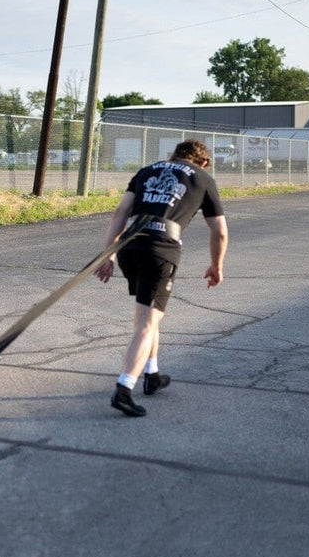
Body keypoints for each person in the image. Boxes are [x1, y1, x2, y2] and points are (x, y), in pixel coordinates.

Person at [95, 140, 229, 417]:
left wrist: (108, 254)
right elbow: (219, 231)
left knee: (148, 314)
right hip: (160, 249)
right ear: (202, 161)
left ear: (175, 156)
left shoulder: (147, 170)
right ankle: (124, 388)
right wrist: (216, 265)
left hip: (130, 247)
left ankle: (151, 373)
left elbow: (121, 212)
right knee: (147, 322)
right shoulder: (203, 178)